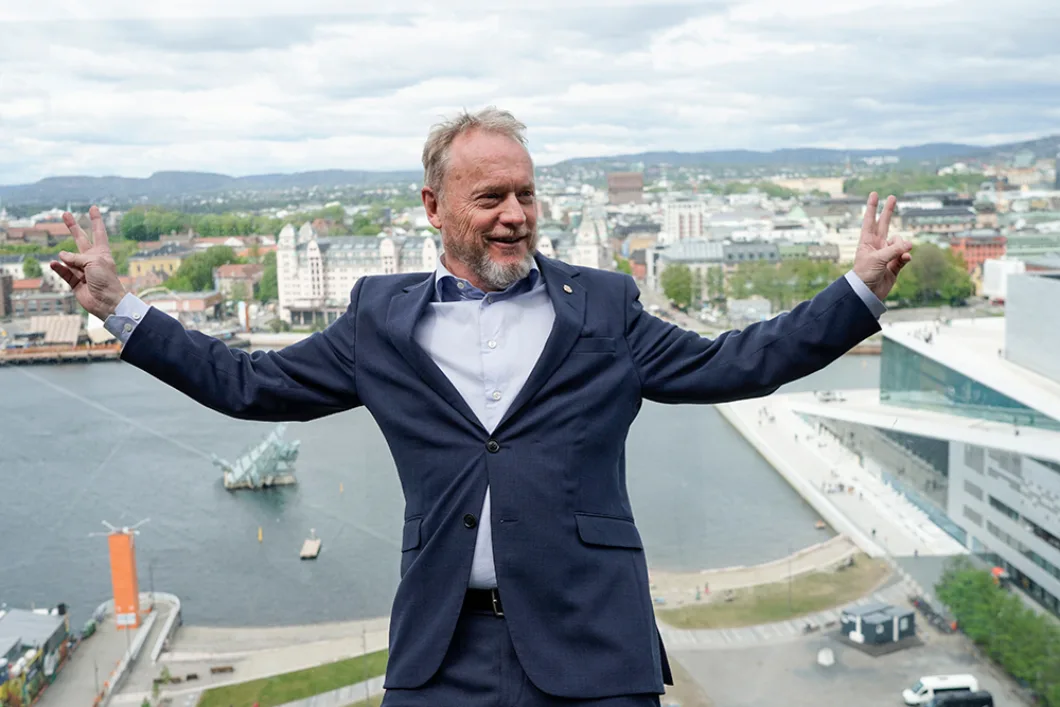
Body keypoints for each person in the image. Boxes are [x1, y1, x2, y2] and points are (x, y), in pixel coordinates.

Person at [51, 107, 912, 707]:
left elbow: (738, 362)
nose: (514, 216)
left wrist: (857, 291)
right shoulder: (377, 317)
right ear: (433, 207)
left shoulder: (603, 306)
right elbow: (247, 386)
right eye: (490, 197)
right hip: (442, 653)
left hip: (595, 648)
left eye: (526, 195)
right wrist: (122, 308)